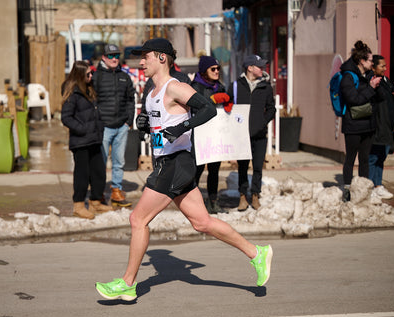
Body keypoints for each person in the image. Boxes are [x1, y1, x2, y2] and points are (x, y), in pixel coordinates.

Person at [95, 38, 273, 301]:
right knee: (202, 223)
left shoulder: (175, 87)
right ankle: (257, 253)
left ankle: (127, 283)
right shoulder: (152, 92)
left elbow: (207, 109)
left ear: (162, 58)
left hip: (176, 163)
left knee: (138, 220)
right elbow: (154, 124)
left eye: (146, 57)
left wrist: (180, 128)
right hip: (168, 162)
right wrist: (144, 124)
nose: (141, 62)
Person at [61, 61, 113, 219]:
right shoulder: (73, 94)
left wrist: (100, 126)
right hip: (81, 141)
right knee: (82, 174)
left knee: (98, 172)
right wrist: (83, 129)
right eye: (88, 74)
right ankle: (78, 205)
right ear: (79, 76)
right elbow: (66, 117)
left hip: (94, 139)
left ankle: (95, 202)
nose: (91, 76)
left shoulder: (89, 90)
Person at [227, 54, 276, 211]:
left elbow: (271, 109)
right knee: (242, 167)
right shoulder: (235, 86)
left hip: (260, 135)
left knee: (257, 167)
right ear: (249, 68)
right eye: (259, 66)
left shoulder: (266, 87)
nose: (262, 69)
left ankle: (255, 195)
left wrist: (262, 123)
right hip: (241, 136)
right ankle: (243, 196)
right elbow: (227, 107)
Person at [92, 44, 136, 207]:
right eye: (110, 56)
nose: (114, 59)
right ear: (103, 57)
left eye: (116, 55)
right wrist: (97, 122)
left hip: (121, 126)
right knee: (100, 162)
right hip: (103, 127)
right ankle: (99, 192)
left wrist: (128, 121)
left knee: (119, 161)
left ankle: (116, 190)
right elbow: (92, 100)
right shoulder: (97, 77)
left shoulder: (124, 77)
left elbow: (131, 99)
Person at [340, 40, 381, 202]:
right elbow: (354, 100)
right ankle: (347, 190)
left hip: (368, 124)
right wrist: (370, 88)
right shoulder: (347, 77)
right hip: (353, 124)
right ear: (361, 61)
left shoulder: (370, 75)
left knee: (365, 158)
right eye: (371, 60)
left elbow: (377, 99)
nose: (373, 63)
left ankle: (363, 189)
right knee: (350, 158)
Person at [191, 55, 228, 214]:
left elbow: (224, 109)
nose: (216, 71)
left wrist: (228, 102)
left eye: (218, 69)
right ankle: (193, 204)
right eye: (213, 69)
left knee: (214, 171)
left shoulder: (219, 86)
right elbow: (194, 108)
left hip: (215, 135)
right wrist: (211, 100)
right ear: (204, 71)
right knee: (196, 171)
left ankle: (213, 201)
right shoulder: (195, 87)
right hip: (199, 136)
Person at [368, 54, 394, 199]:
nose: (385, 68)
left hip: (388, 126)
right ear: (374, 67)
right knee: (374, 157)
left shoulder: (386, 80)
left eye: (385, 65)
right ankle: (370, 187)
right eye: (382, 66)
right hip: (379, 125)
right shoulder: (373, 81)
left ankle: (378, 185)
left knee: (382, 156)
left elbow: (387, 100)